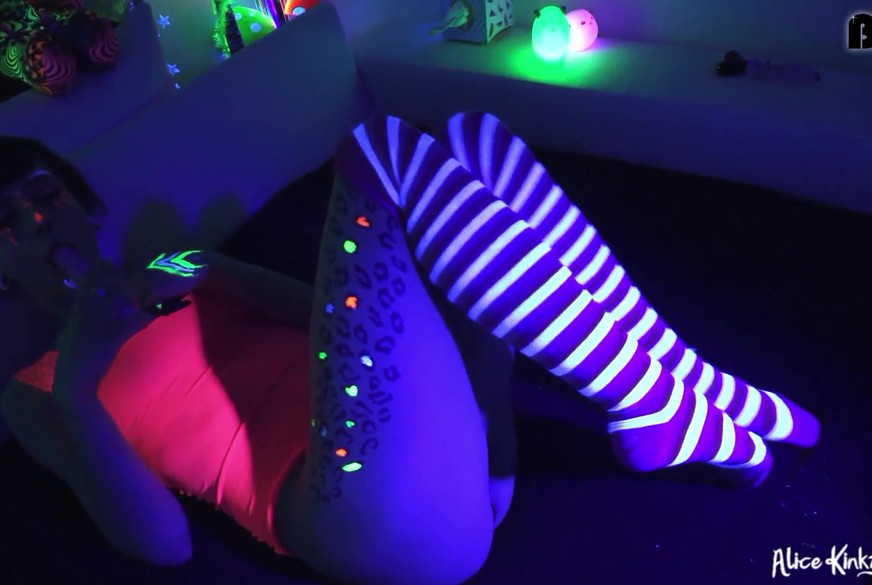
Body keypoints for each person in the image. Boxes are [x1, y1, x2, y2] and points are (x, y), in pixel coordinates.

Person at [0, 113, 819, 585]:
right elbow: (160, 545)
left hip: (449, 439)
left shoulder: (177, 264)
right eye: (5, 224)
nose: (37, 222)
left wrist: (213, 270)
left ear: (85, 205)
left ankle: (682, 388)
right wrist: (82, 380)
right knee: (378, 153)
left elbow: (329, 314)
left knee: (474, 138)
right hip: (353, 505)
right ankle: (662, 400)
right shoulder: (35, 389)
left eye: (45, 195)